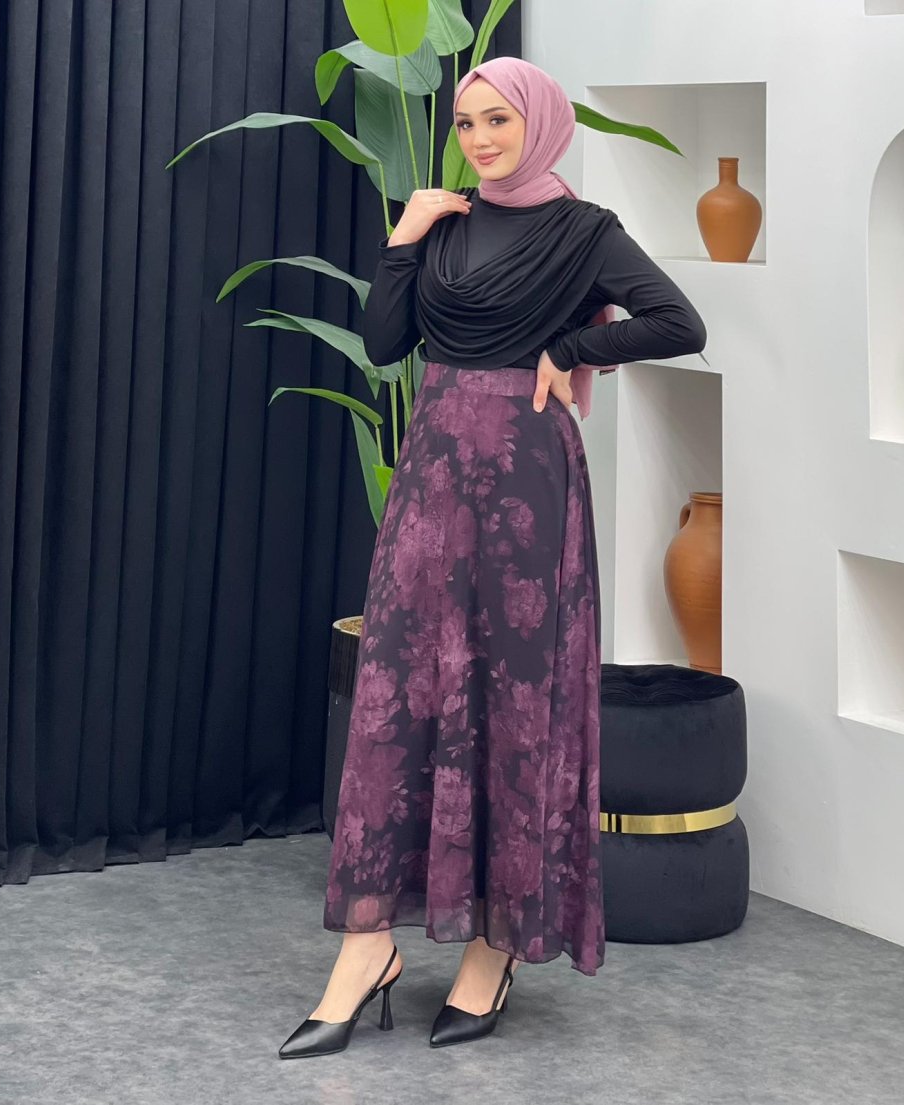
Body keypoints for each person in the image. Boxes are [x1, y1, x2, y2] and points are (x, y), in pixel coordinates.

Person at [278, 55, 707, 1059]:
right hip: (432, 472)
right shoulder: (446, 223)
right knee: (399, 694)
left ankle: (493, 947)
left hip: (527, 481)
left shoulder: (585, 231)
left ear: (538, 123)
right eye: (466, 123)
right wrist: (403, 240)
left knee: (514, 697)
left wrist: (571, 351)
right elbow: (386, 345)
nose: (477, 139)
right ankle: (367, 947)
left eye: (497, 121)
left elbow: (678, 322)